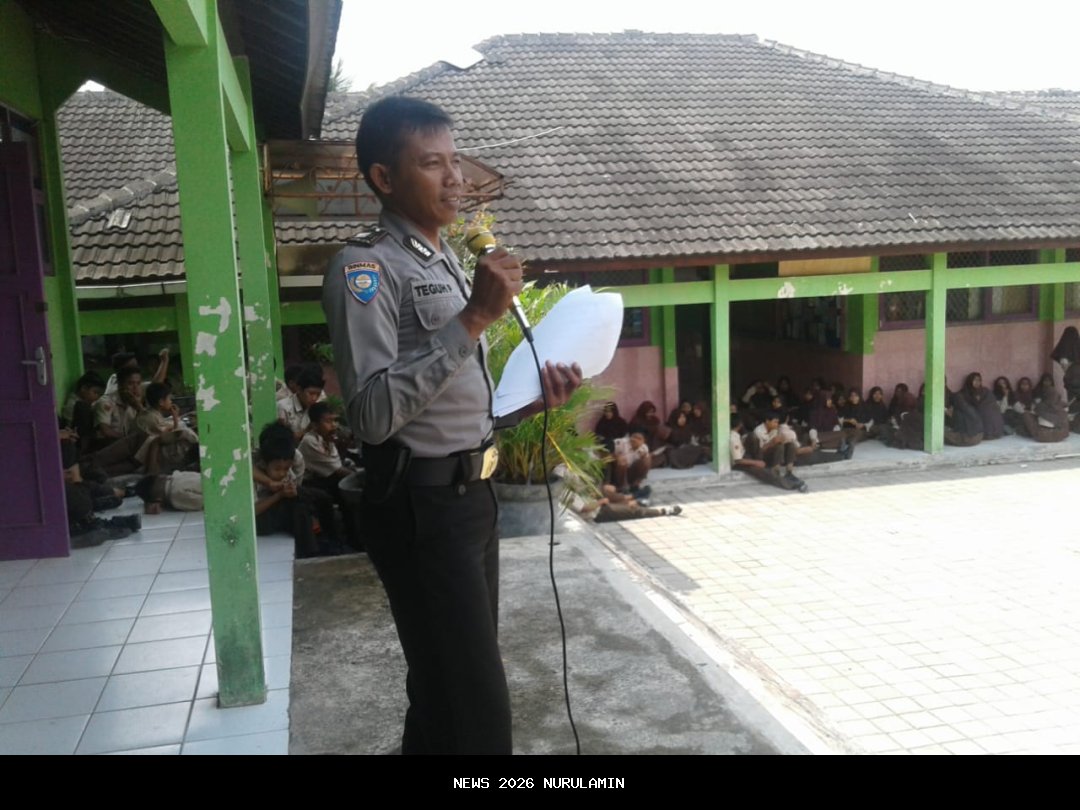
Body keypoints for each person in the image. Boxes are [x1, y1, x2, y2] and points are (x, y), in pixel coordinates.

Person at [321, 96, 581, 755]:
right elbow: (374, 415)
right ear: (385, 178)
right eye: (431, 164)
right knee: (480, 714)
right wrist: (471, 320)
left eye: (454, 162)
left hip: (472, 499)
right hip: (420, 507)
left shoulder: (443, 258)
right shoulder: (366, 267)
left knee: (443, 693)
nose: (454, 179)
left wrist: (526, 404)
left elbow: (450, 397)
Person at [276, 365, 325, 443]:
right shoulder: (283, 407)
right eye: (311, 393)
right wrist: (307, 431)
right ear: (299, 389)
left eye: (318, 394)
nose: (314, 398)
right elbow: (282, 441)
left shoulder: (318, 407)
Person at [1051, 326, 1080, 429]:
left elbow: (1059, 359)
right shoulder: (1077, 347)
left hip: (1073, 378)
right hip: (1075, 378)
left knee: (1073, 403)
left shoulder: (1064, 352)